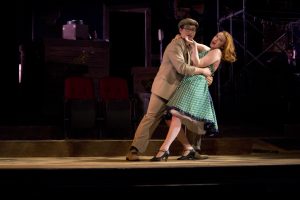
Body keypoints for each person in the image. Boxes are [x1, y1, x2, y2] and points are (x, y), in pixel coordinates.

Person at [126, 18, 213, 161]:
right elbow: (182, 68)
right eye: (187, 29)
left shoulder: (191, 45)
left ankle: (192, 150)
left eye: (193, 30)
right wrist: (202, 71)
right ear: (180, 30)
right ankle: (133, 151)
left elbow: (211, 51)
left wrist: (197, 48)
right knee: (151, 118)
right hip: (164, 89)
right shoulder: (175, 46)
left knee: (194, 118)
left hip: (179, 92)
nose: (190, 32)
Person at [150, 31, 237, 161]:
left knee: (175, 113)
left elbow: (197, 63)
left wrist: (194, 47)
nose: (215, 39)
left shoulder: (217, 52)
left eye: (220, 40)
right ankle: (188, 149)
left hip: (196, 85)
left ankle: (164, 149)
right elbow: (193, 43)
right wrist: (182, 38)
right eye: (216, 36)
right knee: (170, 117)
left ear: (223, 45)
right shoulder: (208, 49)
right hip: (188, 82)